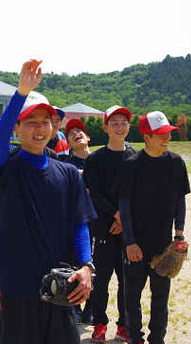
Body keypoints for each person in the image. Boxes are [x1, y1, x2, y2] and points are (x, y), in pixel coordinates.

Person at [0, 60, 96, 344]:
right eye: (31, 122)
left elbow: (80, 224)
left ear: (54, 126)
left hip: (61, 284)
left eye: (45, 122)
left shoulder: (69, 174)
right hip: (16, 286)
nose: (39, 128)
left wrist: (86, 266)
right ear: (17, 128)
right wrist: (21, 93)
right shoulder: (6, 168)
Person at [119, 111, 190, 344]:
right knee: (132, 296)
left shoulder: (176, 163)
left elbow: (180, 200)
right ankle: (135, 337)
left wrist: (179, 234)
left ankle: (157, 338)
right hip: (136, 243)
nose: (167, 138)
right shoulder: (132, 165)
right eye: (161, 134)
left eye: (168, 133)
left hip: (164, 243)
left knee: (161, 296)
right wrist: (130, 242)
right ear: (147, 137)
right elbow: (124, 206)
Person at [83, 105, 135, 342]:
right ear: (105, 127)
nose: (119, 127)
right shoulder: (96, 159)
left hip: (128, 230)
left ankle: (124, 325)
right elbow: (94, 192)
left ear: (129, 126)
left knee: (127, 280)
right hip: (102, 226)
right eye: (114, 123)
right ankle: (99, 323)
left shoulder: (135, 157)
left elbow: (138, 193)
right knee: (101, 279)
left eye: (123, 123)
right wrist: (116, 214)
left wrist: (125, 219)